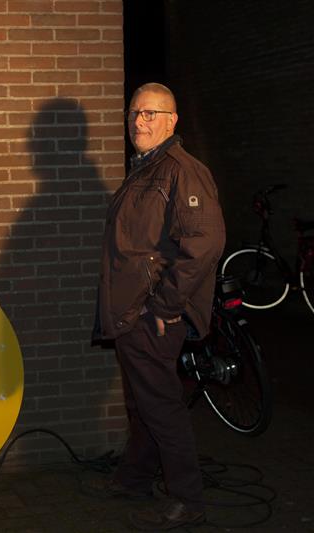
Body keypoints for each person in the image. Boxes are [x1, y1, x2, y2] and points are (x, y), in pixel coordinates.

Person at [87, 83, 226, 530]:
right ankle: (135, 478)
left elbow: (204, 244)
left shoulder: (181, 171)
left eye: (150, 113)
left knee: (161, 407)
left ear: (172, 120)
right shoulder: (146, 168)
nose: (139, 121)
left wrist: (165, 306)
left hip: (153, 313)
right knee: (141, 403)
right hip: (134, 310)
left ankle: (188, 499)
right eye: (134, 113)